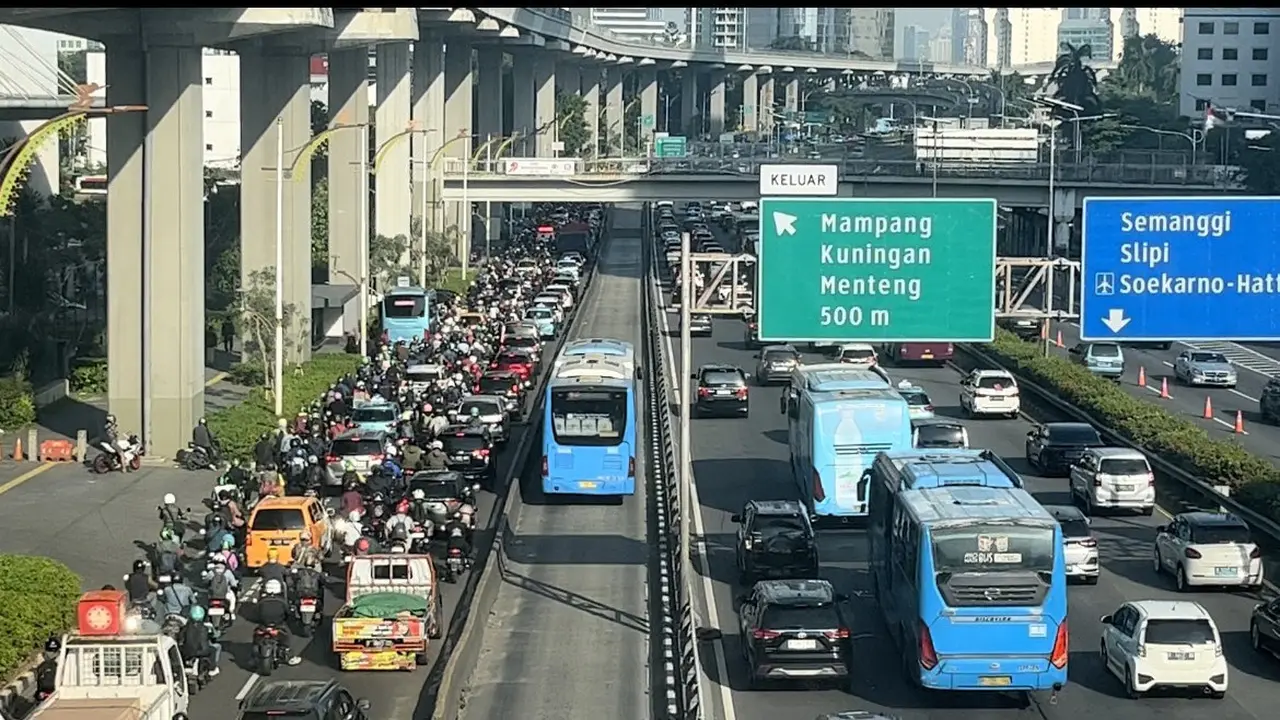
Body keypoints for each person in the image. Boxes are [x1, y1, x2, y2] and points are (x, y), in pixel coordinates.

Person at [256, 579, 302, 666]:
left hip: (264, 626)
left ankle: (253, 657)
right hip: (279, 625)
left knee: (256, 638)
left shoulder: (262, 601)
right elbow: (288, 613)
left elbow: (255, 613)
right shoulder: (282, 601)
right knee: (287, 638)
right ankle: (290, 657)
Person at [180, 605, 221, 677]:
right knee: (215, 649)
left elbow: (181, 637)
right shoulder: (206, 626)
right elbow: (214, 635)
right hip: (202, 651)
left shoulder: (186, 626)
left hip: (187, 651)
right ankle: (212, 669)